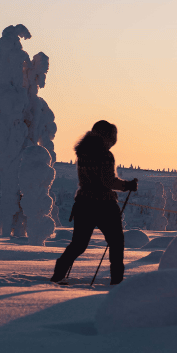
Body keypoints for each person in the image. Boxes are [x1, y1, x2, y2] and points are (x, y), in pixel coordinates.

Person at [51, 120, 137, 286]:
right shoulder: (105, 155)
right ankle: (117, 282)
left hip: (83, 204)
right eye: (112, 137)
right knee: (116, 243)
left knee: (78, 244)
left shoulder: (83, 153)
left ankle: (58, 275)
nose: (114, 141)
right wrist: (128, 186)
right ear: (107, 136)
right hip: (104, 205)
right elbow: (108, 181)